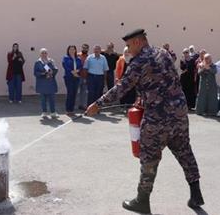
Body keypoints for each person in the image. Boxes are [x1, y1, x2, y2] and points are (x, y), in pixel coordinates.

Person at [86, 29, 204, 214]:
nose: (127, 49)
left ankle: (142, 201)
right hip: (179, 112)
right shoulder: (164, 53)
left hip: (157, 116)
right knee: (184, 151)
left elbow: (122, 87)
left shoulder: (139, 61)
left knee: (149, 157)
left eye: (128, 45)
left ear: (138, 42)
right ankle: (196, 194)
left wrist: (98, 104)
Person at [34, 48, 59, 118]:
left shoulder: (51, 61)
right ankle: (44, 112)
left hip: (50, 83)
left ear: (47, 54)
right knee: (43, 99)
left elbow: (56, 69)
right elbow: (35, 73)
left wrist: (51, 73)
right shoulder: (37, 62)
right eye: (42, 53)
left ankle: (53, 112)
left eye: (45, 53)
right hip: (42, 83)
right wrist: (43, 73)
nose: (44, 54)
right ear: (40, 54)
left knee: (52, 98)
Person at [62, 45, 82, 117]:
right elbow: (65, 66)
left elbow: (80, 66)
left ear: (75, 50)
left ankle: (72, 110)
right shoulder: (66, 58)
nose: (72, 51)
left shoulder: (78, 58)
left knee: (74, 93)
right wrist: (72, 72)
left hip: (76, 77)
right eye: (70, 49)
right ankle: (68, 110)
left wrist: (77, 71)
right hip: (69, 77)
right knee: (70, 93)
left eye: (73, 49)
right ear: (68, 50)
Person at [77, 44, 90, 110]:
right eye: (83, 48)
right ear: (81, 48)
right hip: (77, 77)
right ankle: (72, 106)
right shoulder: (77, 55)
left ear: (88, 49)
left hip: (85, 77)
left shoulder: (89, 57)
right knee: (75, 91)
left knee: (84, 92)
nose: (84, 49)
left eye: (86, 48)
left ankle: (82, 105)